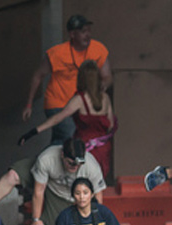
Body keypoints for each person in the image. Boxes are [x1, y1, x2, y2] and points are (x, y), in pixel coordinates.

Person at [23, 14, 111, 146]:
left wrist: (103, 85)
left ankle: (43, 163)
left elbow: (107, 76)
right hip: (58, 103)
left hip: (80, 104)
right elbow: (38, 75)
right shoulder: (57, 54)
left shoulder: (98, 49)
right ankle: (45, 164)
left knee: (60, 141)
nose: (87, 35)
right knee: (71, 136)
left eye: (88, 31)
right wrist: (29, 104)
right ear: (72, 34)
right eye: (83, 32)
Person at [18, 60, 116, 177]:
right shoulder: (105, 98)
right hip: (103, 149)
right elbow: (110, 124)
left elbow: (57, 118)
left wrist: (33, 132)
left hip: (83, 148)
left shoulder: (80, 100)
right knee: (97, 180)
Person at [0, 137, 106, 225]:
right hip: (48, 184)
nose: (75, 167)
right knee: (12, 175)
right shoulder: (47, 158)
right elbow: (38, 191)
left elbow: (97, 195)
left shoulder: (91, 166)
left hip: (69, 197)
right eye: (70, 163)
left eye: (78, 164)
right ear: (62, 155)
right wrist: (36, 219)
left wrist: (97, 222)